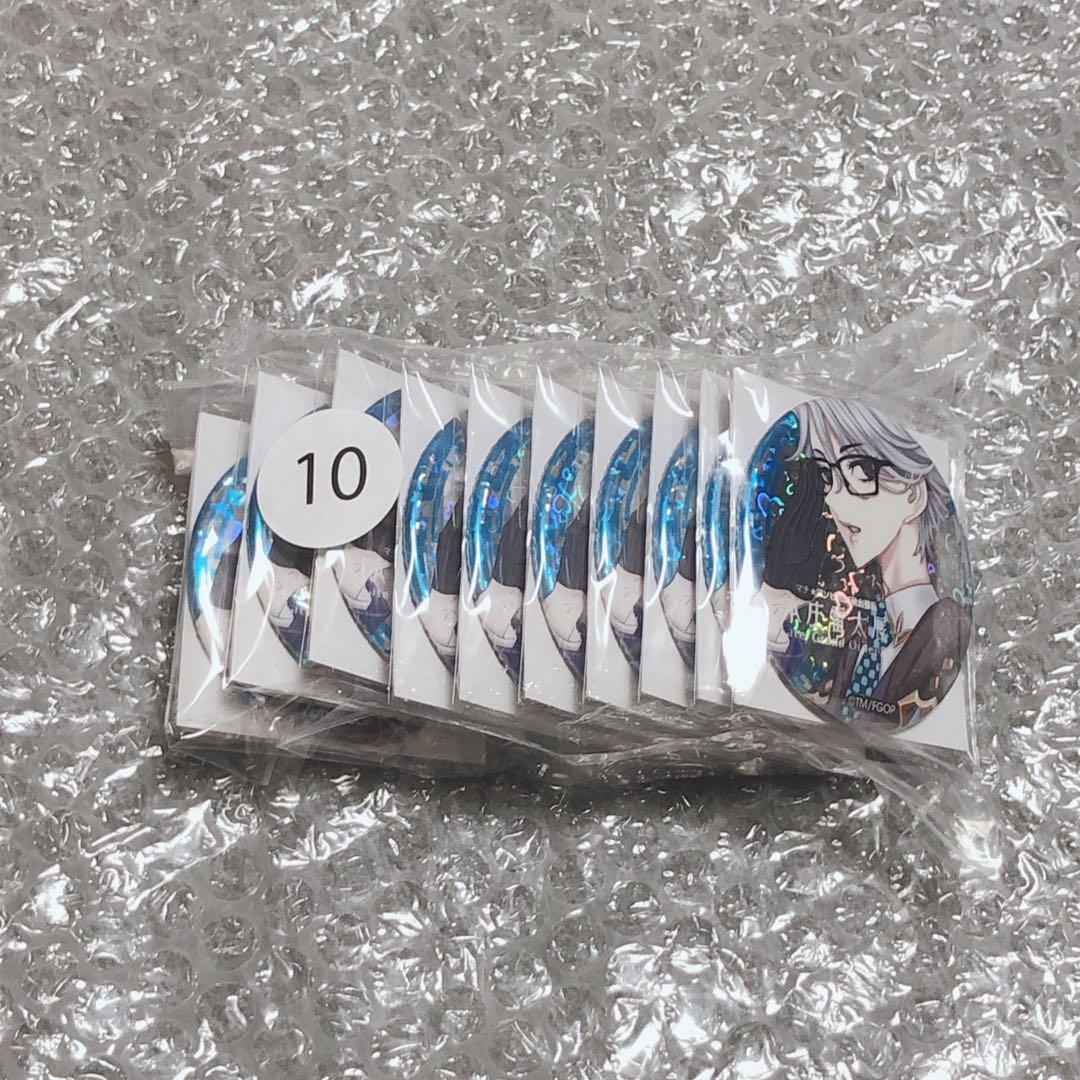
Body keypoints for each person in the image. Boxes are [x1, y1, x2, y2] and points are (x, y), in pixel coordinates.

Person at [757, 397, 970, 729]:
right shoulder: (863, 625)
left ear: (913, 494)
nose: (834, 499)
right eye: (826, 474)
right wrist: (776, 603)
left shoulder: (945, 632)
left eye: (859, 470)